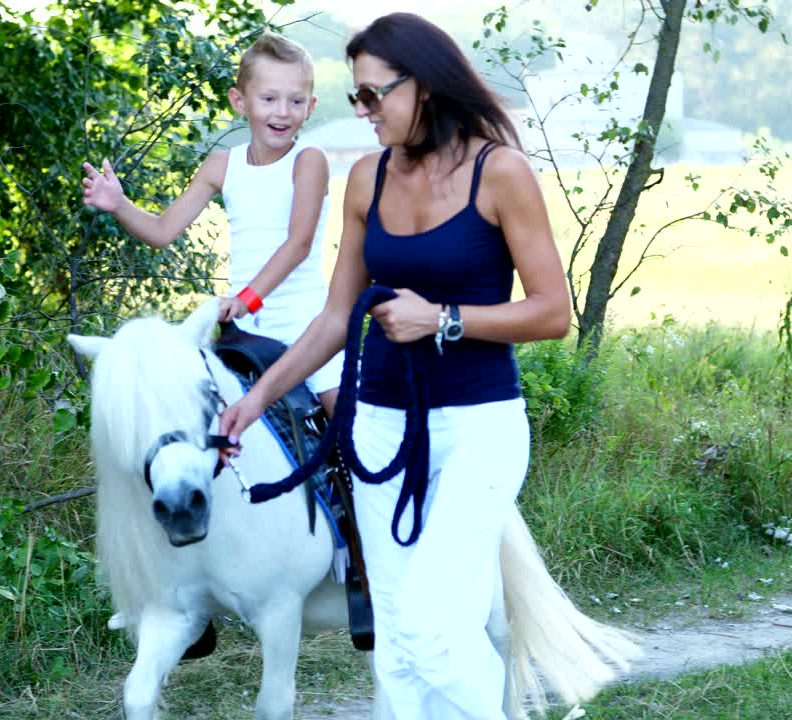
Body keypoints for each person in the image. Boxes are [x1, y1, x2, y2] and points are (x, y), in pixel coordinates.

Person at [218, 13, 570, 718]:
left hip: (478, 429)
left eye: (374, 95)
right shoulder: (365, 180)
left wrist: (444, 320)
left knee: (434, 631)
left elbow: (553, 311)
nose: (363, 111)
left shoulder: (498, 172)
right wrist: (255, 401)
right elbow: (334, 321)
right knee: (400, 647)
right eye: (357, 97)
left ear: (427, 87)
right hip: (377, 428)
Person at [81, 31, 341, 416]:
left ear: (311, 105)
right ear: (240, 101)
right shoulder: (222, 166)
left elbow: (298, 243)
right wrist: (119, 205)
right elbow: (161, 232)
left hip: (309, 326)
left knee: (349, 428)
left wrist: (245, 299)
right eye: (269, 99)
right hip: (248, 331)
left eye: (296, 101)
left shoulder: (308, 160)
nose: (283, 112)